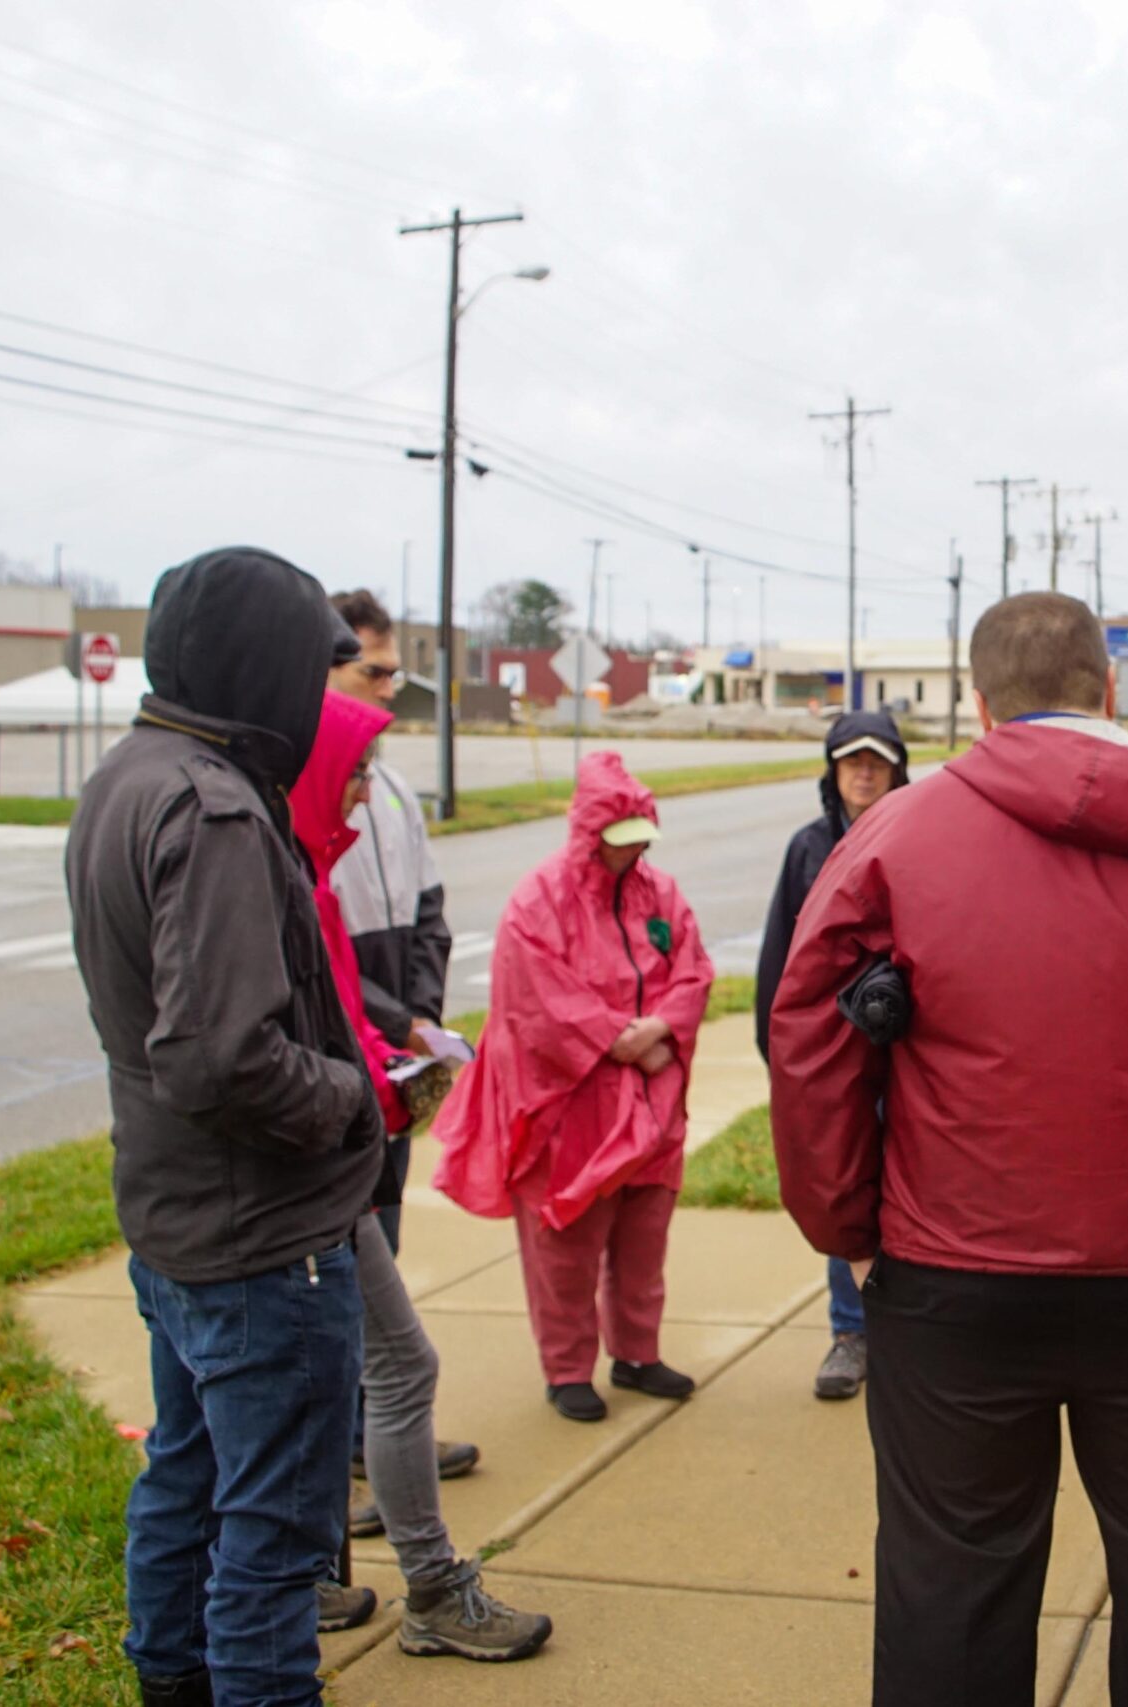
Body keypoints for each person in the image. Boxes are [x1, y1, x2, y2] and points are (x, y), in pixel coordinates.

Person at [769, 593, 1128, 1707]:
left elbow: (811, 1041)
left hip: (952, 1277)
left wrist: (848, 1228)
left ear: (979, 705)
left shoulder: (894, 835)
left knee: (954, 1586)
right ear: (1109, 692)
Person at [65, 547, 382, 1707]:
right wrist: (354, 1099)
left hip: (179, 1222)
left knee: (185, 1484)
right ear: (261, 670)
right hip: (261, 1246)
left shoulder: (126, 776)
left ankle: (173, 1683)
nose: (320, 698)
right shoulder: (214, 809)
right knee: (271, 1544)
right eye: (311, 670)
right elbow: (219, 1055)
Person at [285, 689, 553, 1663]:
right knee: (373, 1369)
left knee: (346, 1372)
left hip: (330, 1162)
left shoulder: (309, 870)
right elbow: (253, 1046)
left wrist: (396, 1053)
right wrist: (374, 1092)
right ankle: (410, 1589)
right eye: (352, 773)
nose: (365, 792)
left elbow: (341, 1014)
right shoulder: (285, 881)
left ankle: (326, 1574)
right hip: (302, 1181)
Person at [435, 753, 714, 1422]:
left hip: (654, 1106)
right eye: (620, 838)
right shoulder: (539, 900)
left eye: (641, 835)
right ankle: (566, 1368)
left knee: (643, 1242)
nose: (635, 849)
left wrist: (661, 1031)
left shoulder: (662, 894)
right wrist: (625, 1040)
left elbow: (693, 970)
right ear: (590, 833)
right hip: (572, 1112)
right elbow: (535, 1003)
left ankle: (637, 1352)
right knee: (566, 1249)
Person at [323, 590, 478, 1529]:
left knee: (384, 1232)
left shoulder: (388, 785)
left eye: (392, 671)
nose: (388, 688)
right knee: (347, 1254)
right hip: (354, 1040)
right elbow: (323, 949)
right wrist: (392, 1022)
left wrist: (421, 1011)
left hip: (398, 1039)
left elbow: (428, 909)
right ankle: (347, 1444)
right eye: (370, 671)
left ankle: (383, 1429)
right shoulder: (313, 780)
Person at [752, 709, 912, 1401]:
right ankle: (850, 1332)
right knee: (840, 1188)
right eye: (852, 761)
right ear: (833, 769)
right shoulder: (808, 848)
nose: (865, 772)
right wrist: (778, 1049)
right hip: (834, 1060)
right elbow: (780, 964)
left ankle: (910, 1329)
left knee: (913, 1188)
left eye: (877, 759)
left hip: (909, 1054)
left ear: (898, 766)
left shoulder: (923, 835)